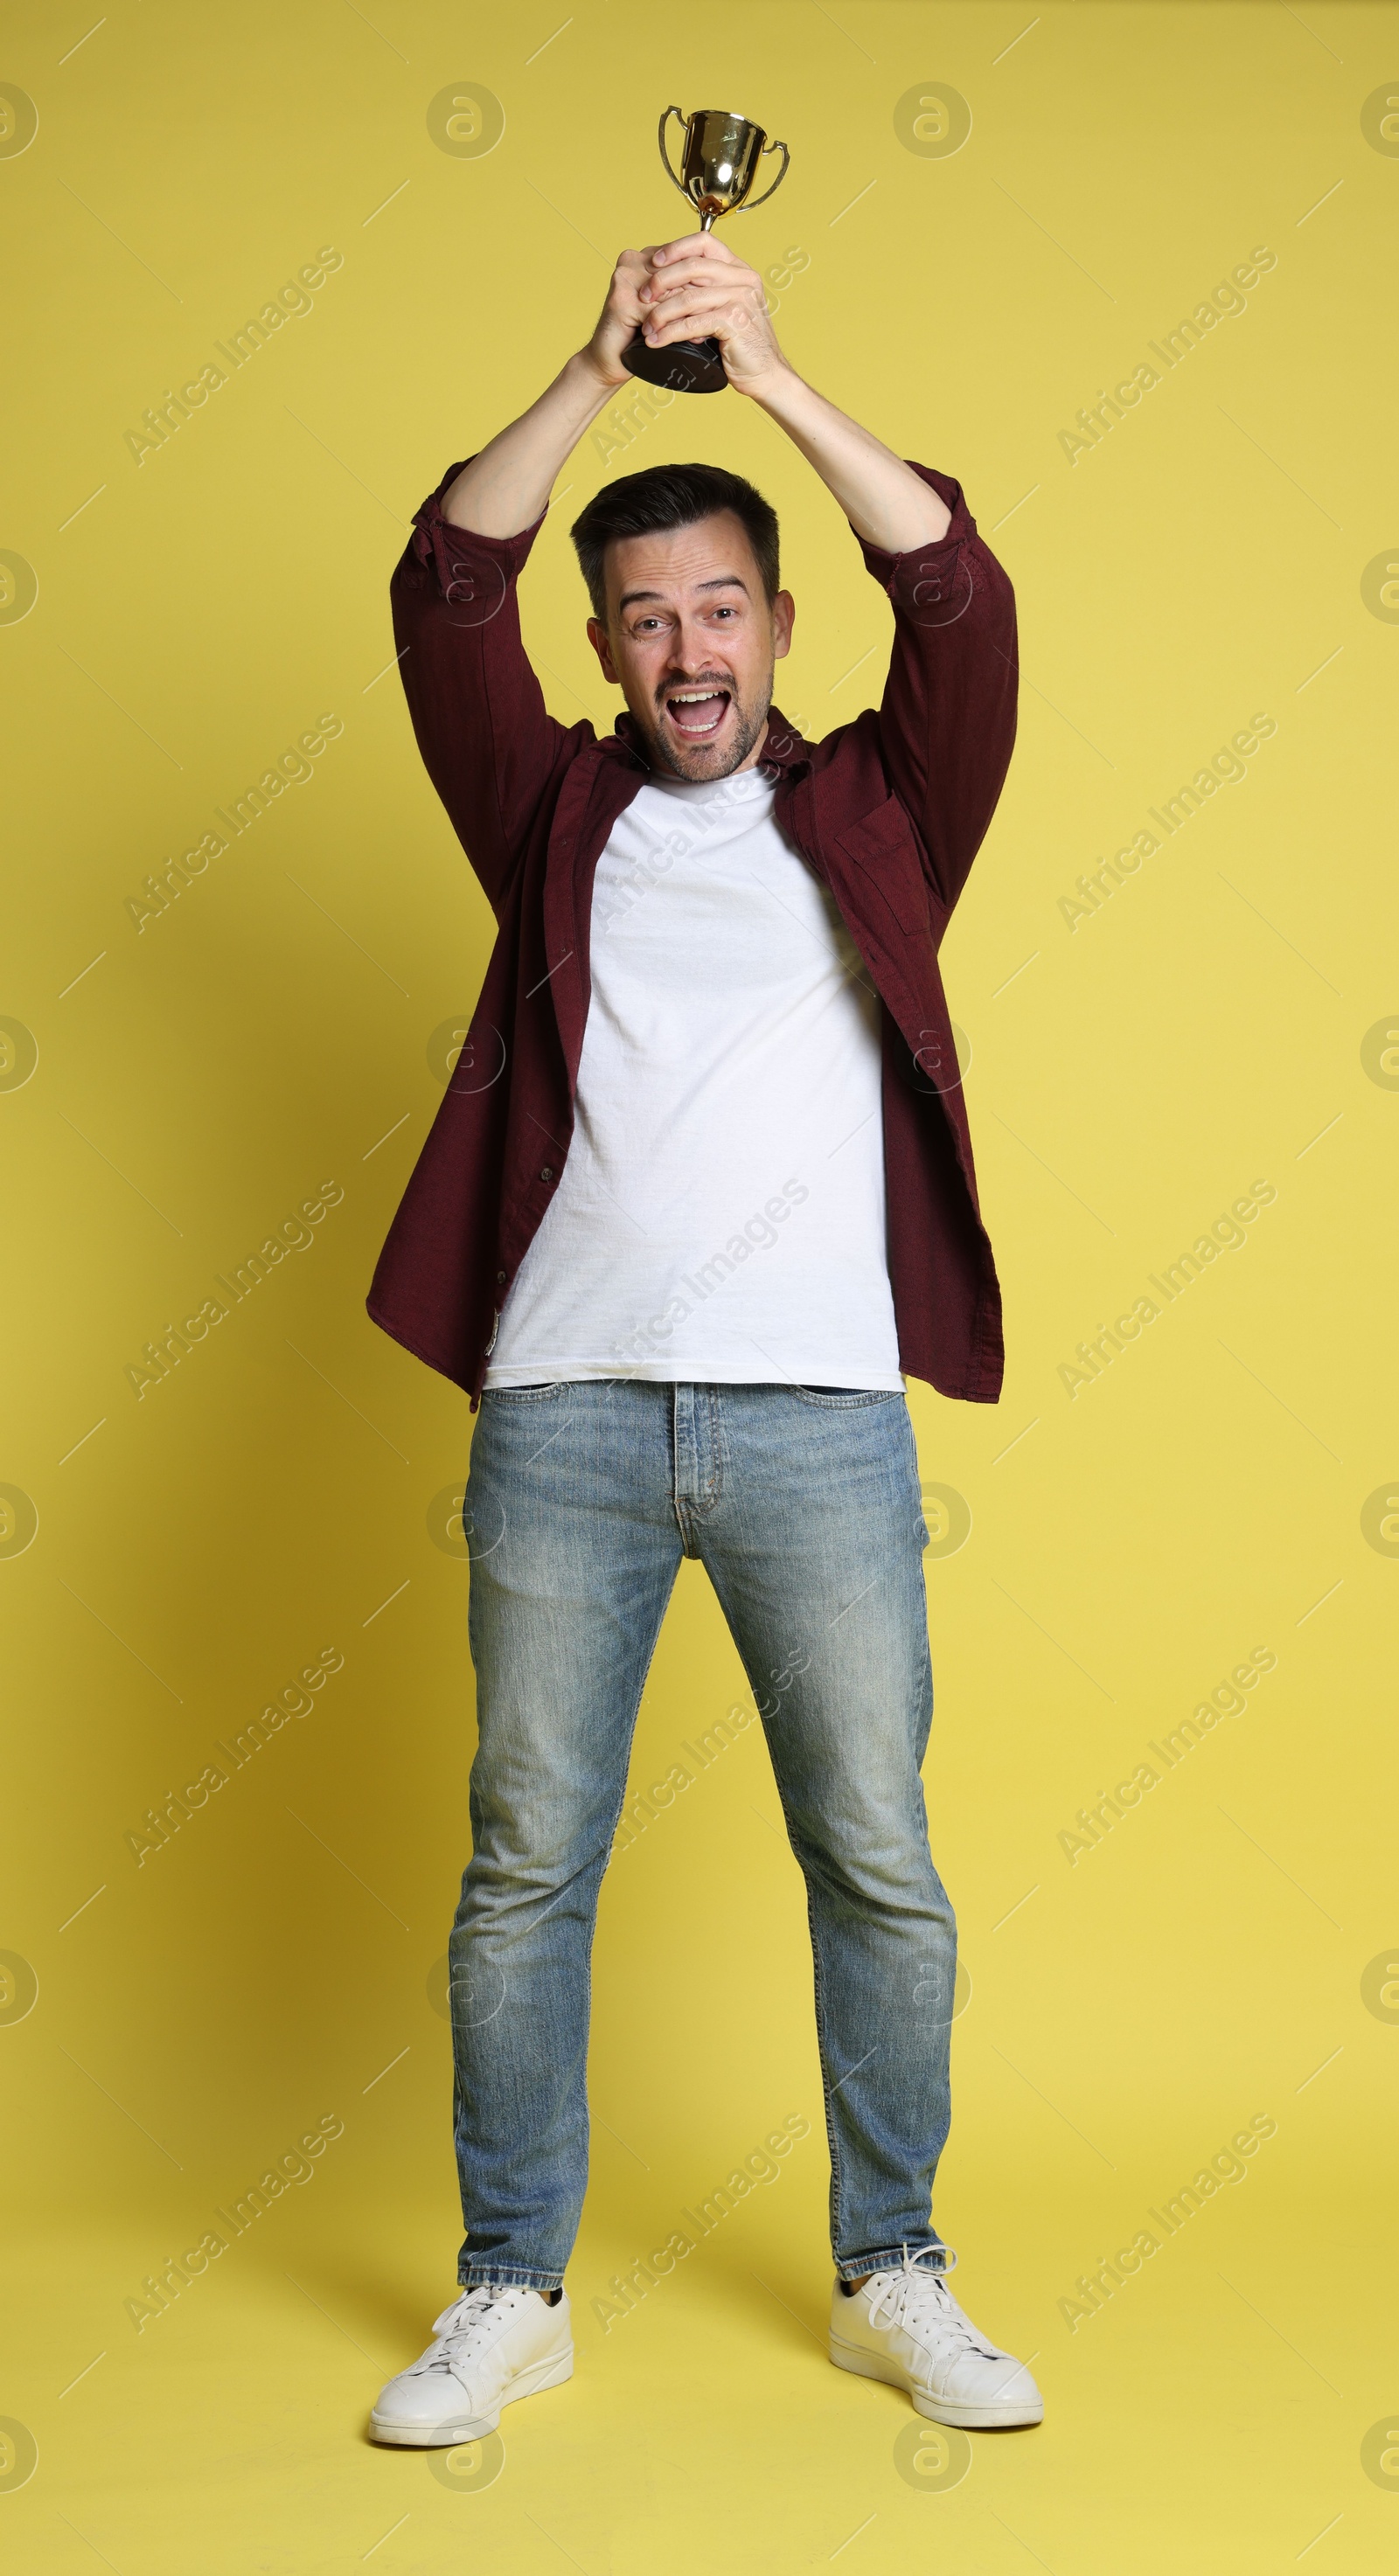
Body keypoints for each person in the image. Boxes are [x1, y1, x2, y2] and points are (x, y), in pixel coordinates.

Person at [365, 228, 1040, 2447]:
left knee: (872, 1852)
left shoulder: (877, 813)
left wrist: (763, 375)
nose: (684, 652)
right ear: (607, 645)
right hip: (561, 1409)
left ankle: (892, 2267)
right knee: (523, 1861)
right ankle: (507, 2288)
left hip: (819, 1419)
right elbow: (439, 588)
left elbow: (965, 600)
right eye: (643, 616)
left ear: (773, 626)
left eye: (719, 608)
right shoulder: (545, 807)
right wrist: (590, 363)